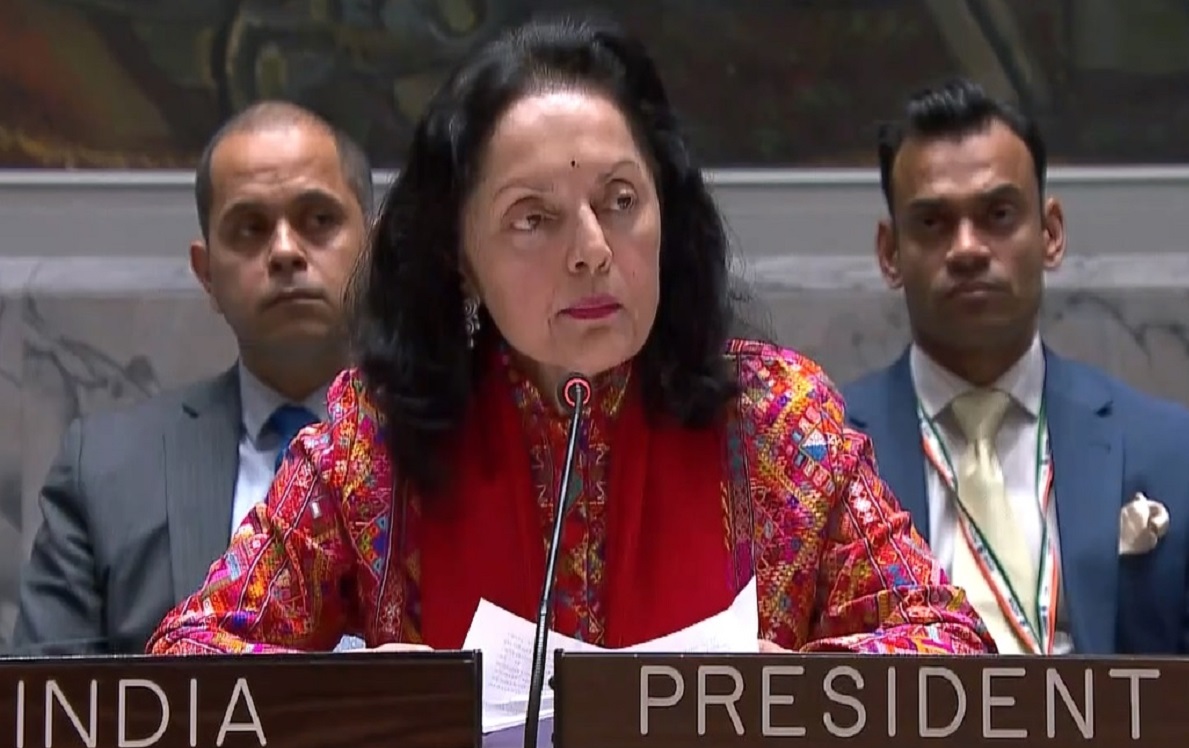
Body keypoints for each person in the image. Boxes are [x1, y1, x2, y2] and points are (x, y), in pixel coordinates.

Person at [147, 18, 993, 656]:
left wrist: (788, 696)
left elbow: (952, 645)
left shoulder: (776, 420)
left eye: (621, 201)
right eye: (533, 218)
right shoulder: (378, 439)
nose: (592, 250)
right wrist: (381, 701)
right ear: (460, 256)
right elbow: (192, 654)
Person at [843, 78, 1189, 655]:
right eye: (933, 222)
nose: (967, 248)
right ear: (890, 253)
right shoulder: (824, 461)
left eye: (999, 214)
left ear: (1050, 233)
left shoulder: (1176, 455)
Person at [12, 101, 372, 655]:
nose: (284, 251)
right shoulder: (105, 470)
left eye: (318, 220)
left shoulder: (465, 449)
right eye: (250, 228)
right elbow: (47, 698)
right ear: (207, 275)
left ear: (373, 250)